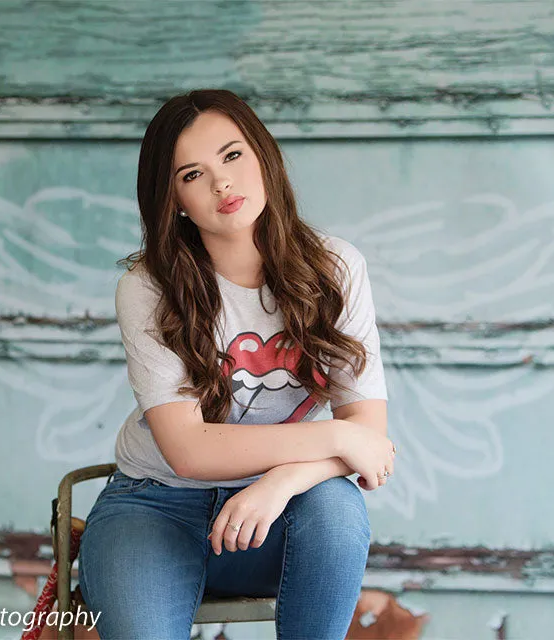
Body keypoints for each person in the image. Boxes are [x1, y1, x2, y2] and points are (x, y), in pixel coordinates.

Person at [78, 89, 397, 639]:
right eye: (192, 174)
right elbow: (189, 450)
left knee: (336, 510)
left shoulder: (335, 269)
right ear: (173, 197)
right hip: (154, 508)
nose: (221, 183)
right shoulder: (147, 287)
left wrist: (279, 485)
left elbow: (367, 437)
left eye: (232, 156)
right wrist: (338, 440)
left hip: (277, 516)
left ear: (263, 157)